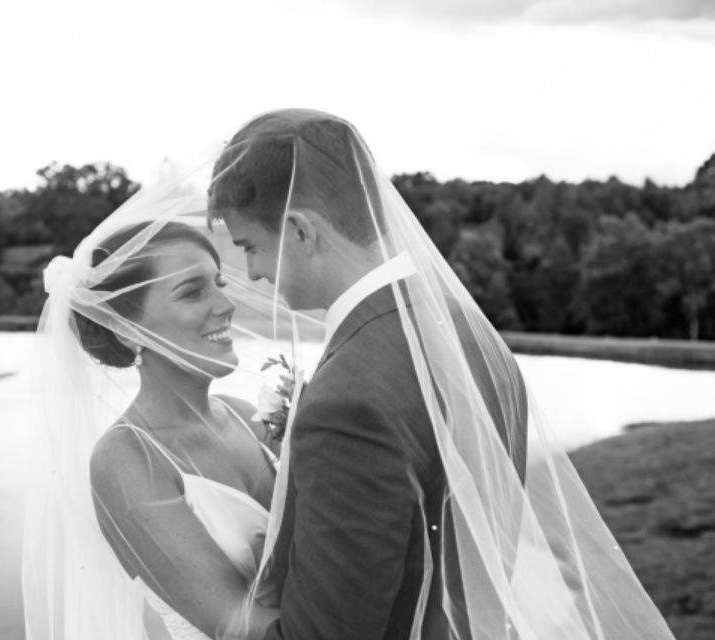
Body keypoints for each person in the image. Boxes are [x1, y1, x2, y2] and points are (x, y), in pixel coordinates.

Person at [209, 109, 677, 640]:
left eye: (249, 246)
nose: (251, 273)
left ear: (299, 231)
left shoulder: (345, 405)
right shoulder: (474, 340)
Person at [23, 219, 281, 640]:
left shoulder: (247, 417)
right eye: (193, 291)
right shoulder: (126, 458)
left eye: (218, 282)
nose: (226, 304)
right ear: (127, 329)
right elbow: (236, 625)